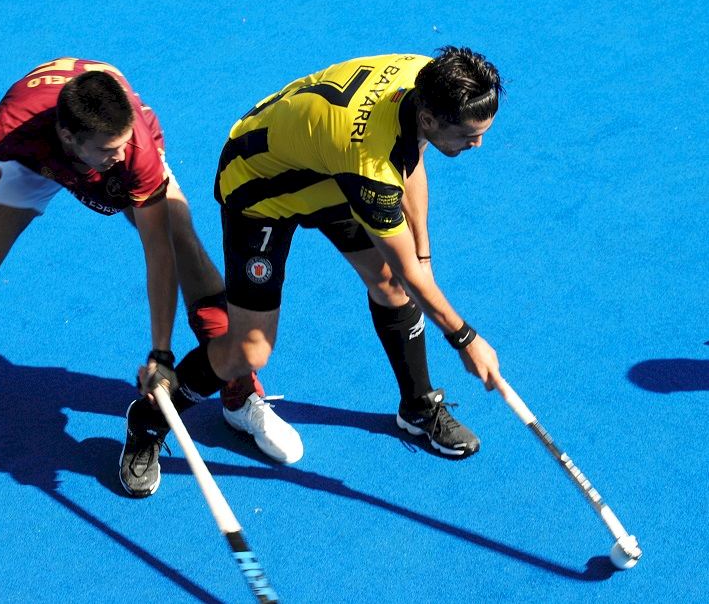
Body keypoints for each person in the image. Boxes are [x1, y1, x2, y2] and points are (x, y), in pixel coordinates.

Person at [0, 57, 303, 496]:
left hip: (106, 151)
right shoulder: (10, 127)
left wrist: (161, 355)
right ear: (69, 137)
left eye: (123, 144)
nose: (120, 154)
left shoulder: (134, 152)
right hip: (35, 161)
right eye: (110, 150)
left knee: (186, 250)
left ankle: (239, 395)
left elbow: (159, 254)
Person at [125, 46, 508, 496]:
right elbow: (403, 249)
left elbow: (410, 157)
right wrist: (465, 339)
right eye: (468, 136)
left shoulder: (425, 76)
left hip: (328, 169)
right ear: (430, 117)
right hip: (261, 187)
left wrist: (423, 253)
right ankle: (149, 418)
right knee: (249, 351)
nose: (477, 144)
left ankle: (418, 407)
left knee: (390, 285)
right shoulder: (369, 165)